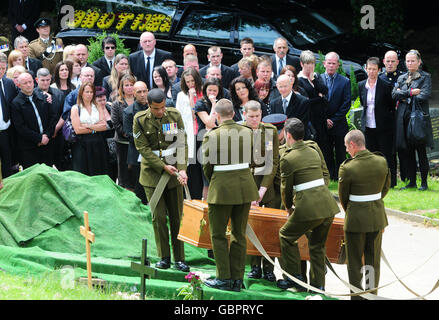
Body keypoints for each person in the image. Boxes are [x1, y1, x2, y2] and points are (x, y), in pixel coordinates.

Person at [202, 98, 259, 292]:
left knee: (218, 234)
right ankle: (236, 278)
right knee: (238, 234)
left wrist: (215, 180)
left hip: (222, 189)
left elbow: (207, 165)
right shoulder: (247, 132)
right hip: (244, 187)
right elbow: (254, 160)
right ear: (234, 114)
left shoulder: (212, 135)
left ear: (216, 116)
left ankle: (224, 277)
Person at [277, 118, 339, 292]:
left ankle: (295, 277)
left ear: (288, 135)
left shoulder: (288, 158)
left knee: (285, 235)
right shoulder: (313, 150)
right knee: (317, 246)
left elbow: (286, 188)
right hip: (327, 206)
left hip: (307, 208)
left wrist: (288, 207)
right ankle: (318, 286)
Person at [133, 88, 190, 272]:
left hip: (174, 175)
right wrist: (162, 166)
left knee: (176, 217)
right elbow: (143, 149)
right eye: (156, 108)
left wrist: (182, 168)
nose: (160, 111)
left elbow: (182, 142)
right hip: (153, 174)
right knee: (158, 218)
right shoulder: (140, 120)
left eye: (163, 107)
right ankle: (164, 257)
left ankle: (180, 258)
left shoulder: (173, 115)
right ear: (149, 106)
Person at [338, 130, 390, 299]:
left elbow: (343, 198)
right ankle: (371, 294)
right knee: (372, 260)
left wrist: (353, 211)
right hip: (376, 218)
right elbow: (384, 189)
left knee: (354, 262)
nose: (347, 150)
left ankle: (357, 296)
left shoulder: (348, 168)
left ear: (352, 145)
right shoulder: (381, 161)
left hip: (356, 221)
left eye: (347, 147)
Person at [243, 100, 279, 283]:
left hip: (266, 185)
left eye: (258, 116)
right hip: (247, 183)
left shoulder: (270, 131)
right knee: (252, 227)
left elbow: (272, 163)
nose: (255, 120)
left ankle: (269, 268)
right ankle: (254, 266)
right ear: (244, 115)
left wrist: (262, 190)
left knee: (269, 229)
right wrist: (251, 193)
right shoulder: (238, 131)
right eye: (251, 116)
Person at [392, 49, 433, 191]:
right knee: (407, 152)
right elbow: (393, 95)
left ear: (419, 62)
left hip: (418, 119)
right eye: (407, 61)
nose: (410, 63)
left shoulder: (425, 77)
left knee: (421, 152)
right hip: (403, 119)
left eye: (412, 61)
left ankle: (424, 183)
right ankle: (412, 182)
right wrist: (410, 93)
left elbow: (424, 95)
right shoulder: (401, 78)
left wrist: (403, 96)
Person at [358, 57, 396, 188]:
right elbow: (364, 104)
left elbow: (391, 105)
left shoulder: (385, 86)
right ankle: (373, 181)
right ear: (365, 69)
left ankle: (390, 181)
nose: (371, 72)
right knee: (371, 155)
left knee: (386, 155)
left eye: (374, 69)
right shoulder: (362, 85)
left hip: (383, 126)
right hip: (368, 126)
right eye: (369, 69)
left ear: (379, 70)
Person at [10, 72, 57, 169]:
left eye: (30, 82)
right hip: (29, 148)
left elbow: (53, 118)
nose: (28, 85)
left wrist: (47, 135)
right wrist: (39, 138)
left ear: (33, 82)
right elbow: (20, 127)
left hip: (46, 145)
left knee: (47, 174)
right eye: (25, 83)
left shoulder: (43, 97)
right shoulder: (16, 103)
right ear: (18, 85)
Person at [322, 52, 351, 181]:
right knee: (326, 152)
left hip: (339, 124)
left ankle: (340, 176)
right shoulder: (317, 80)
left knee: (340, 152)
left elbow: (346, 104)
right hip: (322, 124)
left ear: (338, 65)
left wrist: (333, 120)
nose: (331, 66)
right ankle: (329, 175)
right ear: (324, 64)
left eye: (334, 63)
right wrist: (324, 120)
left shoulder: (345, 81)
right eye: (329, 63)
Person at [176, 68, 204, 200]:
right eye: (187, 82)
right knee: (190, 168)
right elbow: (178, 116)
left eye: (192, 81)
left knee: (200, 169)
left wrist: (193, 98)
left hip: (201, 134)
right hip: (187, 136)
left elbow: (195, 115)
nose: (190, 84)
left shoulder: (202, 93)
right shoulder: (181, 95)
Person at [70, 81, 108, 176]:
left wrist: (87, 125)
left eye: (91, 92)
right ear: (81, 93)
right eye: (87, 92)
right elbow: (78, 130)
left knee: (99, 172)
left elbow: (104, 126)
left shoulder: (98, 106)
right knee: (84, 173)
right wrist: (96, 127)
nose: (89, 94)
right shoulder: (75, 108)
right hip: (82, 144)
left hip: (98, 143)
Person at [194, 77, 224, 199]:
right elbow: (210, 123)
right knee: (207, 181)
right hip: (206, 142)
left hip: (221, 143)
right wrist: (213, 104)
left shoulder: (224, 102)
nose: (212, 93)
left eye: (214, 91)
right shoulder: (200, 104)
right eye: (209, 90)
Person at [380, 50, 407, 183]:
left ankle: (406, 178)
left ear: (397, 62)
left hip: (401, 117)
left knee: (403, 148)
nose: (390, 64)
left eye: (393, 61)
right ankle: (391, 179)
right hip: (386, 120)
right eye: (388, 61)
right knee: (389, 151)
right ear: (384, 62)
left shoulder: (403, 77)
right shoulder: (380, 78)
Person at [297, 50, 329, 155]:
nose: (310, 66)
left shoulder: (316, 76)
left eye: (312, 63)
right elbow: (305, 101)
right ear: (302, 64)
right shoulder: (299, 80)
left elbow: (325, 90)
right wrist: (320, 98)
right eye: (307, 63)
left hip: (321, 118)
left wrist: (313, 80)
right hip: (310, 118)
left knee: (325, 148)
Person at [122, 81, 149, 204]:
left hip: (156, 152)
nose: (142, 94)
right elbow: (128, 133)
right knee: (140, 186)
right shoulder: (128, 111)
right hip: (137, 154)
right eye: (139, 92)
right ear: (133, 93)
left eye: (144, 91)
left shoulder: (155, 106)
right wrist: (148, 137)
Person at [35, 68, 66, 171]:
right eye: (42, 80)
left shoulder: (59, 94)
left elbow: (63, 114)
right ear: (37, 80)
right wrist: (44, 135)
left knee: (60, 164)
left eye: (48, 80)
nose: (45, 83)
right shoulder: (32, 95)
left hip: (57, 134)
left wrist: (55, 129)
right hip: (40, 138)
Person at [111, 74, 136, 189]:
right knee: (123, 168)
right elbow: (115, 122)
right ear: (122, 87)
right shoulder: (117, 103)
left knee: (135, 168)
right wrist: (126, 134)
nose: (129, 87)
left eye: (131, 85)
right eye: (126, 85)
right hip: (122, 141)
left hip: (137, 141)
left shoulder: (140, 102)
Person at [0, 52, 19, 178]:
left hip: (6, 132)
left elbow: (19, 101)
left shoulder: (8, 83)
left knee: (7, 162)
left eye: (3, 68)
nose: (1, 71)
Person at [95, 86, 117, 182]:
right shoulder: (93, 112)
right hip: (101, 145)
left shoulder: (110, 107)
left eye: (104, 99)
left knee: (115, 171)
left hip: (114, 145)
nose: (103, 102)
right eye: (99, 100)